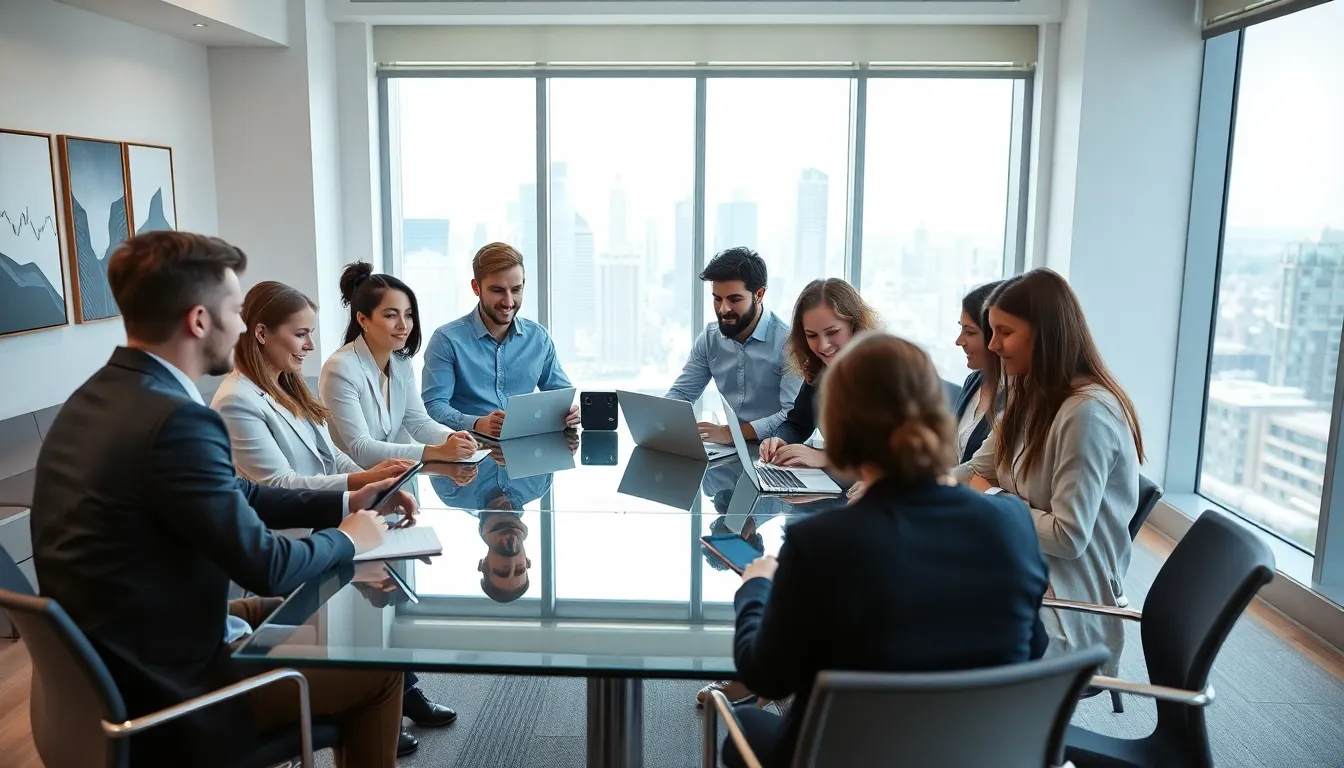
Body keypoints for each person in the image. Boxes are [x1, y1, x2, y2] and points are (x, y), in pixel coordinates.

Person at [30, 231, 412, 768]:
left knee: (332, 621)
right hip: (174, 692)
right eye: (234, 310)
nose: (240, 327)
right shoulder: (179, 420)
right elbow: (266, 565)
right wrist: (348, 540)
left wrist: (349, 501)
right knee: (377, 667)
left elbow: (238, 492)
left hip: (128, 649)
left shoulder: (92, 400)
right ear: (199, 321)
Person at [722, 332, 1049, 768]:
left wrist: (756, 588)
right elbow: (1034, 648)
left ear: (838, 429)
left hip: (845, 755)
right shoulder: (1012, 523)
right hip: (977, 754)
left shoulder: (821, 544)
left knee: (739, 733)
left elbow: (766, 674)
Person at [211, 280, 458, 756]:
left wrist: (368, 482)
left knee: (392, 567)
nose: (310, 345)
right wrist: (355, 492)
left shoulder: (285, 384)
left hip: (324, 521)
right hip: (288, 540)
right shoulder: (236, 400)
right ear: (260, 333)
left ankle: (401, 690)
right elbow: (275, 487)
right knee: (379, 576)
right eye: (301, 334)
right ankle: (385, 696)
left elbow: (332, 459)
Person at [952, 268, 1144, 676]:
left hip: (1063, 610)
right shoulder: (1028, 391)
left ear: (1046, 334)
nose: (992, 345)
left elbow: (1067, 536)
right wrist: (905, 490)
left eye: (1005, 332)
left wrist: (993, 498)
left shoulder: (1087, 413)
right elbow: (974, 469)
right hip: (1020, 570)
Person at [321, 262, 480, 466]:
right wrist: (437, 451)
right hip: (354, 485)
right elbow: (362, 448)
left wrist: (450, 438)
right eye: (391, 315)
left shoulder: (401, 363)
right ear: (362, 319)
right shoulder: (340, 369)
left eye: (408, 314)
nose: (403, 325)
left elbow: (419, 422)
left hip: (395, 477)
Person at [421, 242, 580, 438]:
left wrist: (571, 412)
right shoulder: (446, 340)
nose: (508, 302)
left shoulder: (538, 337)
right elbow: (434, 406)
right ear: (476, 287)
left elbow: (560, 393)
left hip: (528, 454)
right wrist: (478, 423)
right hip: (470, 454)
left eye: (516, 289)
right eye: (497, 290)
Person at [665, 247, 801, 444]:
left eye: (734, 299)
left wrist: (731, 433)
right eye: (717, 299)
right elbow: (683, 393)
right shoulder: (710, 338)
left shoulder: (789, 342)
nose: (723, 309)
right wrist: (661, 421)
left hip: (778, 452)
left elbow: (792, 415)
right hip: (730, 451)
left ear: (759, 295)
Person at [757, 278, 881, 467]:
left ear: (854, 325)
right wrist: (781, 441)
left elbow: (895, 451)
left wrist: (827, 458)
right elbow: (798, 424)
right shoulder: (819, 372)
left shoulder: (884, 372)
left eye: (832, 332)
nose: (822, 345)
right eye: (811, 335)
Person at [951, 280, 1006, 463]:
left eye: (970, 332)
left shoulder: (1018, 396)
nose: (959, 341)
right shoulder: (973, 381)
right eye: (961, 328)